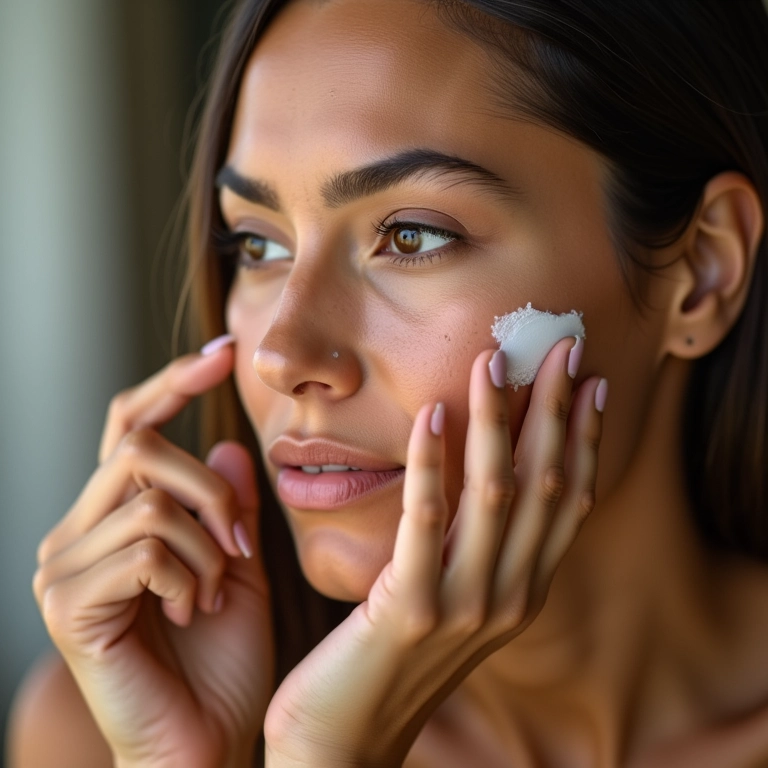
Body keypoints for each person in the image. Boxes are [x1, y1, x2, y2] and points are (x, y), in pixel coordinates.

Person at [8, 0, 768, 765]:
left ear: (702, 272)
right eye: (257, 243)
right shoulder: (107, 731)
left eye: (412, 236)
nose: (281, 354)